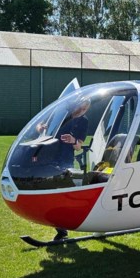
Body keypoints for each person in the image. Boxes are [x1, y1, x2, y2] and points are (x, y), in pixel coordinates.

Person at [36, 98, 90, 241]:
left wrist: (73, 140)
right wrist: (40, 127)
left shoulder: (83, 121)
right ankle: (58, 225)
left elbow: (79, 146)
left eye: (85, 109)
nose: (81, 111)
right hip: (49, 156)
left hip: (66, 159)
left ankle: (62, 230)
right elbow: (41, 125)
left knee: (64, 192)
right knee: (49, 190)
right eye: (80, 107)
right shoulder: (61, 113)